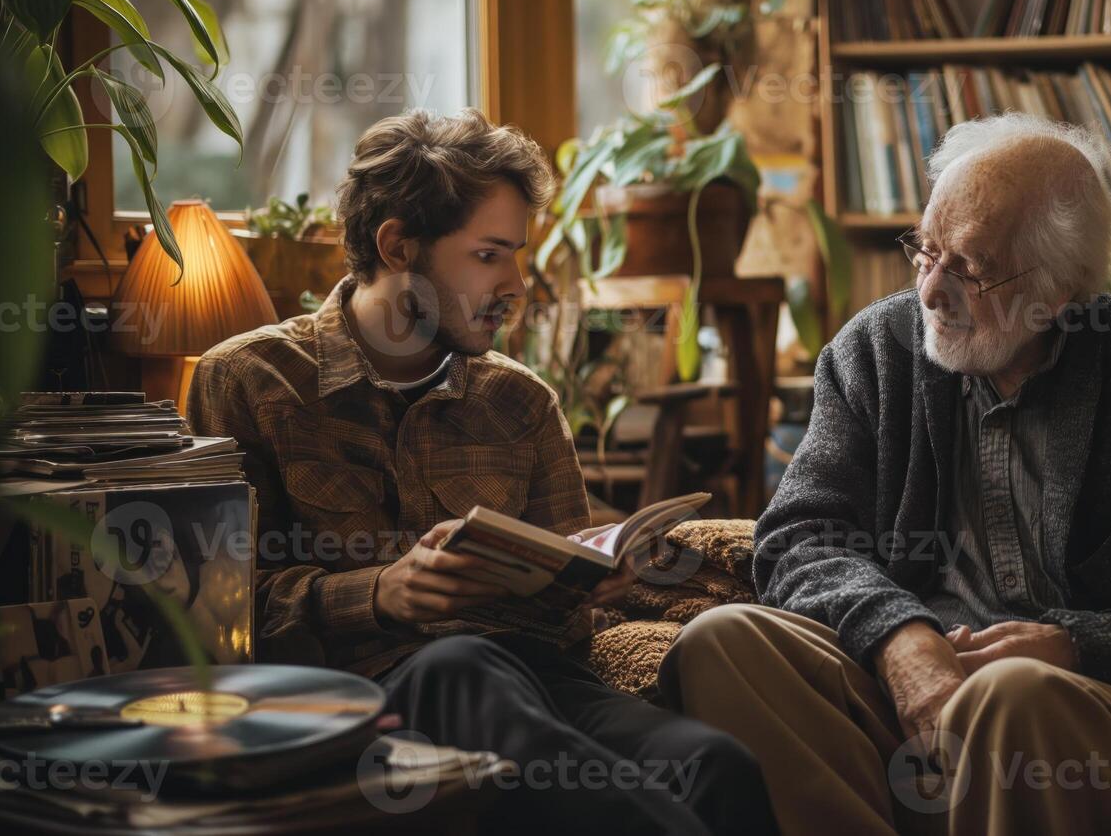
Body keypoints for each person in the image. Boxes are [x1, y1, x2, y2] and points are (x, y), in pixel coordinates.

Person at [658, 113, 1111, 836]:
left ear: (1060, 293)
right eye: (925, 252)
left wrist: (1078, 642)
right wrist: (899, 638)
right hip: (896, 683)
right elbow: (798, 540)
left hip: (1065, 704)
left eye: (970, 268)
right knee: (722, 640)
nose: (929, 291)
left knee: (1013, 693)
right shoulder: (872, 355)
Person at [189, 109, 775, 836]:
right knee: (459, 667)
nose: (517, 283)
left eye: (516, 255)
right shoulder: (249, 381)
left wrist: (592, 577)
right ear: (399, 245)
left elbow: (567, 621)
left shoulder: (518, 401)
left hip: (531, 675)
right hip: (360, 689)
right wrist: (380, 593)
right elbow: (219, 609)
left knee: (716, 766)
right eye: (490, 255)